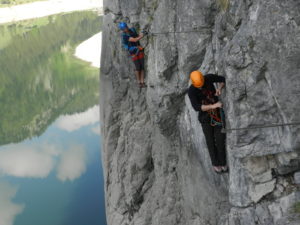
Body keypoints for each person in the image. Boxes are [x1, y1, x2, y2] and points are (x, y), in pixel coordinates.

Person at [188, 70, 228, 173]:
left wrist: (219, 88)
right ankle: (215, 164)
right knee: (210, 140)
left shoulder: (208, 78)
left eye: (201, 84)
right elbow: (196, 107)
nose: (201, 87)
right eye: (199, 86)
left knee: (220, 138)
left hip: (217, 115)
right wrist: (213, 106)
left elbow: (222, 79)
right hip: (205, 117)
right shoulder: (191, 91)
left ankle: (223, 162)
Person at [119, 22, 146, 88]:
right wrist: (142, 35)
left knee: (142, 66)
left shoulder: (132, 30)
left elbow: (137, 36)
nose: (126, 28)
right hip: (133, 52)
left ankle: (142, 82)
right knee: (138, 67)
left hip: (139, 50)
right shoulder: (124, 36)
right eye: (124, 28)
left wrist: (142, 33)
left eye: (126, 27)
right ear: (122, 29)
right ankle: (139, 82)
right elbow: (134, 40)